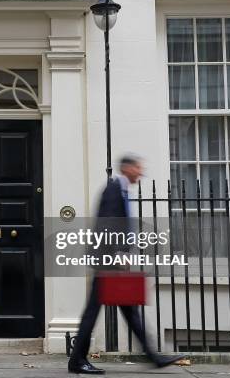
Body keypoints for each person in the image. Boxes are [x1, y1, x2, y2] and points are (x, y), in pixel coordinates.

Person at [68, 155, 184, 375]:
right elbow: (108, 225)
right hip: (107, 261)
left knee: (129, 311)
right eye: (138, 168)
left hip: (109, 260)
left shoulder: (120, 191)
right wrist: (119, 254)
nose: (141, 172)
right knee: (94, 312)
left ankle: (154, 356)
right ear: (127, 168)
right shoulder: (113, 190)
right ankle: (77, 360)